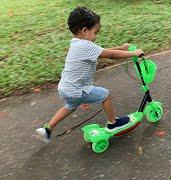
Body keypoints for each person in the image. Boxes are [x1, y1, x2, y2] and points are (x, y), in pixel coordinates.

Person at [35, 7, 144, 143]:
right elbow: (110, 55)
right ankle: (113, 123)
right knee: (106, 95)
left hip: (65, 88)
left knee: (69, 107)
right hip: (76, 89)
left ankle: (47, 129)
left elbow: (103, 52)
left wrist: (121, 48)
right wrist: (134, 53)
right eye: (95, 32)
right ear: (85, 31)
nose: (96, 36)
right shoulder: (85, 46)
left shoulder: (76, 43)